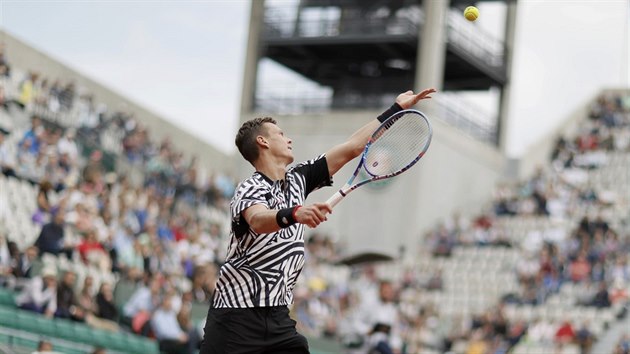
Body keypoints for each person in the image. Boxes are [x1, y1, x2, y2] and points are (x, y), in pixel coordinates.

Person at [200, 88, 435, 354]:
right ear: (263, 142)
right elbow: (257, 220)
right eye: (281, 135)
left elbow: (353, 148)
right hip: (234, 319)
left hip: (278, 319)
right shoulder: (250, 187)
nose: (289, 140)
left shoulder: (299, 179)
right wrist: (294, 213)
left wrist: (395, 109)